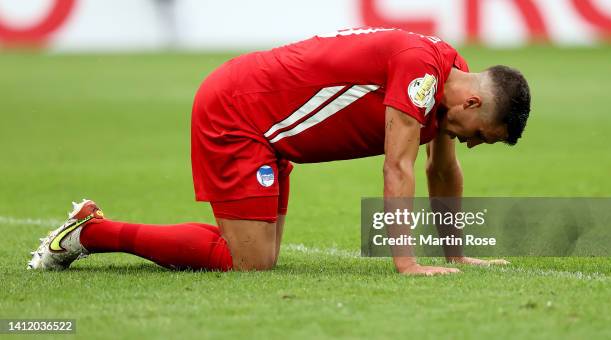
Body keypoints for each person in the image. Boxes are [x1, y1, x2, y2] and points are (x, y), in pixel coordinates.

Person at [29, 27, 531, 275]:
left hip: (271, 134)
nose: (473, 142)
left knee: (258, 258)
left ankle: (94, 231)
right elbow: (396, 166)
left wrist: (456, 254)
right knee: (245, 263)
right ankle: (92, 233)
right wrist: (407, 265)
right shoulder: (423, 73)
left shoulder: (448, 74)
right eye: (482, 133)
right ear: (473, 100)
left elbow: (443, 172)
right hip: (238, 114)